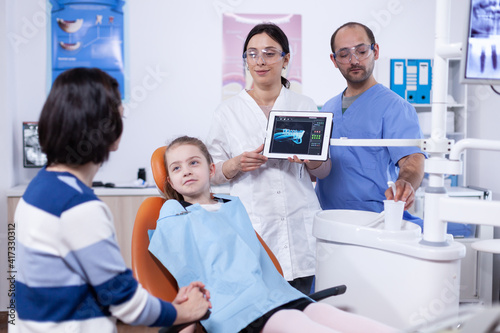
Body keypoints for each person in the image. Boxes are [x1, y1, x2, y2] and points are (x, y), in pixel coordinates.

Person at [12, 68, 211, 333]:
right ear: (110, 131)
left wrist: (168, 309)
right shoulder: (79, 207)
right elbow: (125, 302)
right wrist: (184, 311)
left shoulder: (37, 189)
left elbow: (95, 288)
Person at [148, 136, 397, 333]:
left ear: (211, 169)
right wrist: (188, 319)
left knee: (323, 314)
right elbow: (187, 268)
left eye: (194, 162)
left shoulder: (231, 205)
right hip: (235, 308)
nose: (187, 171)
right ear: (169, 180)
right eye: (177, 167)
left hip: (272, 294)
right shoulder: (174, 212)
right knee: (292, 320)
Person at [206, 23, 331, 294]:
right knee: (261, 311)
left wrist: (310, 161)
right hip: (254, 226)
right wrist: (235, 164)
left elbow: (323, 170)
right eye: (252, 54)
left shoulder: (305, 105)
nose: (260, 61)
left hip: (300, 229)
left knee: (301, 311)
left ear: (286, 59)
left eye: (269, 53)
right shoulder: (227, 112)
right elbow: (211, 172)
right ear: (245, 61)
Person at [315, 22, 426, 221]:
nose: (354, 60)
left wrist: (406, 183)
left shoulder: (395, 107)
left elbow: (411, 159)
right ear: (334, 60)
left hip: (375, 221)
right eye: (344, 54)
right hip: (329, 220)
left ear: (375, 51)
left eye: (361, 51)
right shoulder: (328, 109)